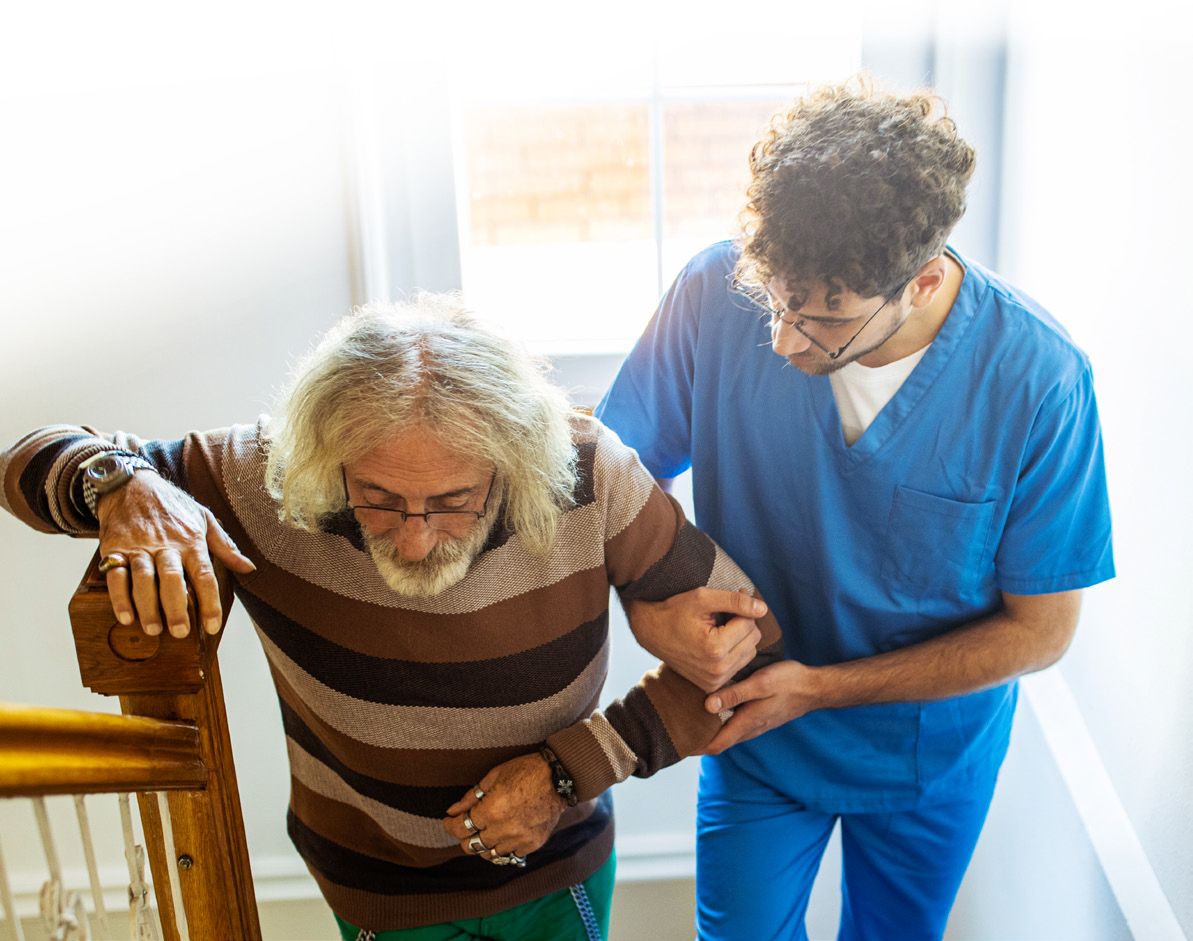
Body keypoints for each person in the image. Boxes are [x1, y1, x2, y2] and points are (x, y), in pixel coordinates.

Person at [0, 294, 783, 941]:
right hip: (373, 883)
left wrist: (566, 770)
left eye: (452, 501)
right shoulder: (272, 473)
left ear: (514, 460)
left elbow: (745, 650)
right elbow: (26, 462)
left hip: (553, 871)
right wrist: (124, 486)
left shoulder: (587, 470)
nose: (413, 537)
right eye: (375, 497)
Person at [596, 74, 1115, 940]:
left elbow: (1039, 631)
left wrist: (821, 690)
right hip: (754, 728)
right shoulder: (712, 293)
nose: (782, 338)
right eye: (775, 295)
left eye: (824, 314)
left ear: (918, 281)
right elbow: (610, 485)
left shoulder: (1039, 380)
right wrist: (652, 616)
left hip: (925, 754)